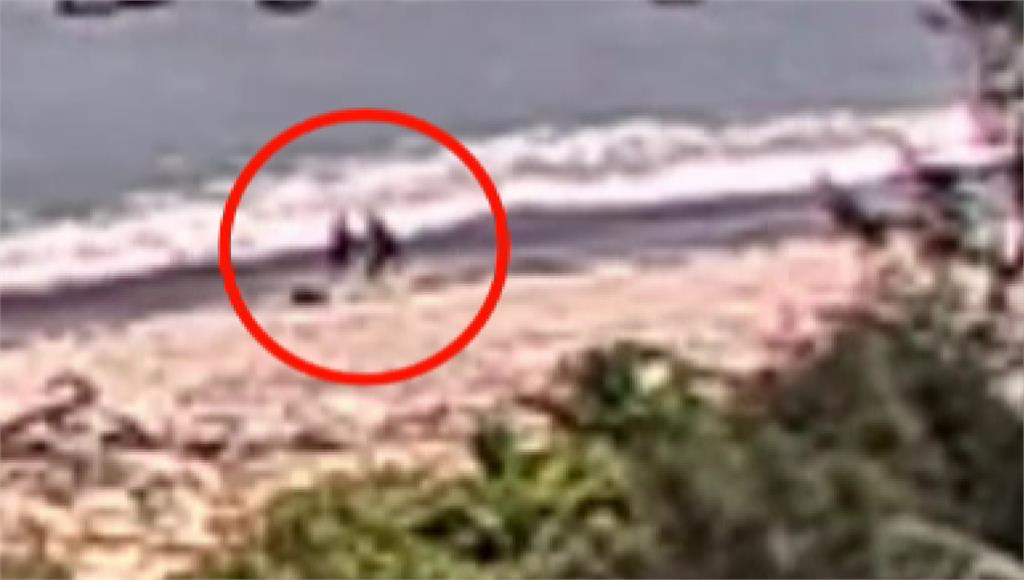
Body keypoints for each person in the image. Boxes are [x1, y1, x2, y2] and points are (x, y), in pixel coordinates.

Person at [363, 211, 401, 281]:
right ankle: (373, 274)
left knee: (384, 261)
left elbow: (382, 239)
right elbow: (376, 240)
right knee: (380, 262)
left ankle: (395, 271)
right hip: (385, 248)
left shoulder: (377, 229)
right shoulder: (376, 229)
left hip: (386, 247)